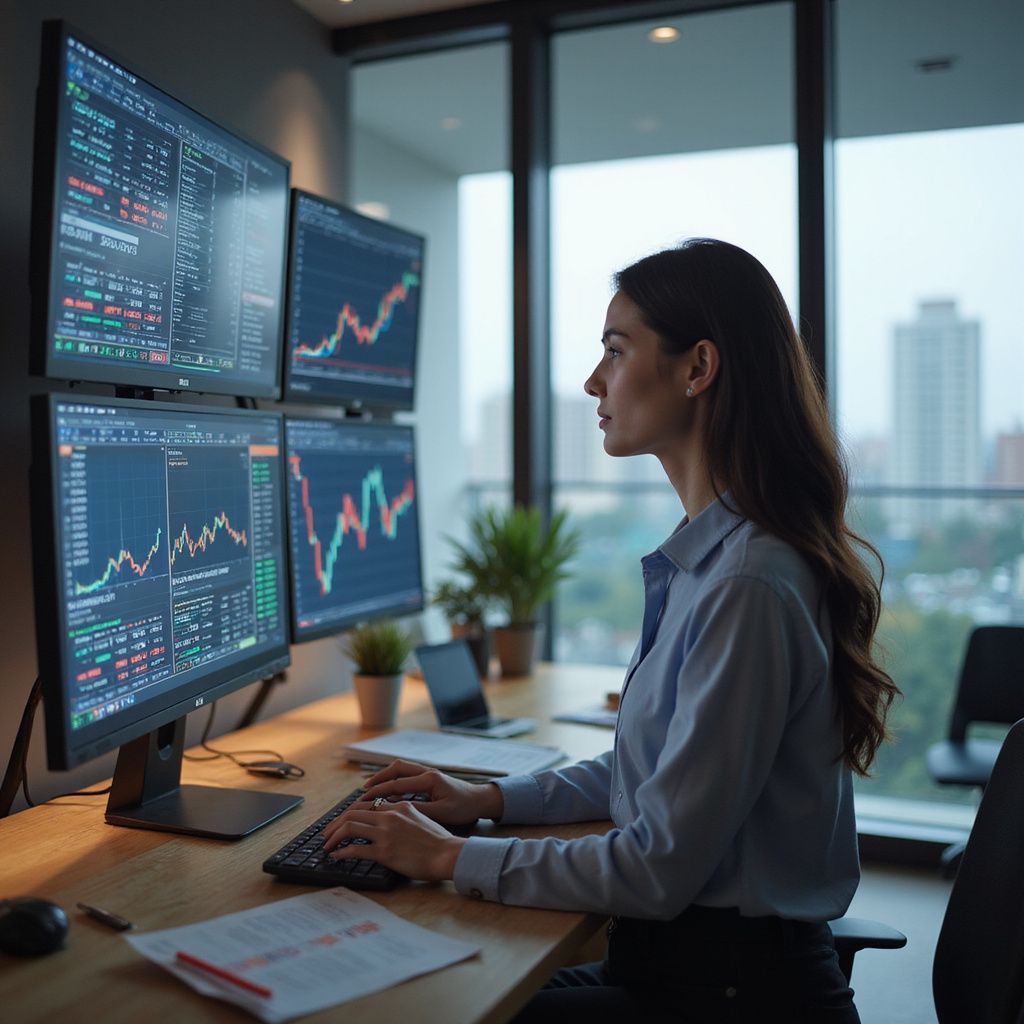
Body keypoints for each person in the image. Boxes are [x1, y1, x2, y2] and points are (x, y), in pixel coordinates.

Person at [322, 238, 900, 1022]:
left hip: (734, 998)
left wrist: (450, 857)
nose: (594, 381)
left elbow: (657, 867)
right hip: (689, 971)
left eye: (615, 351)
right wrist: (485, 799)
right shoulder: (717, 559)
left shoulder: (746, 584)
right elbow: (647, 773)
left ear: (698, 369)